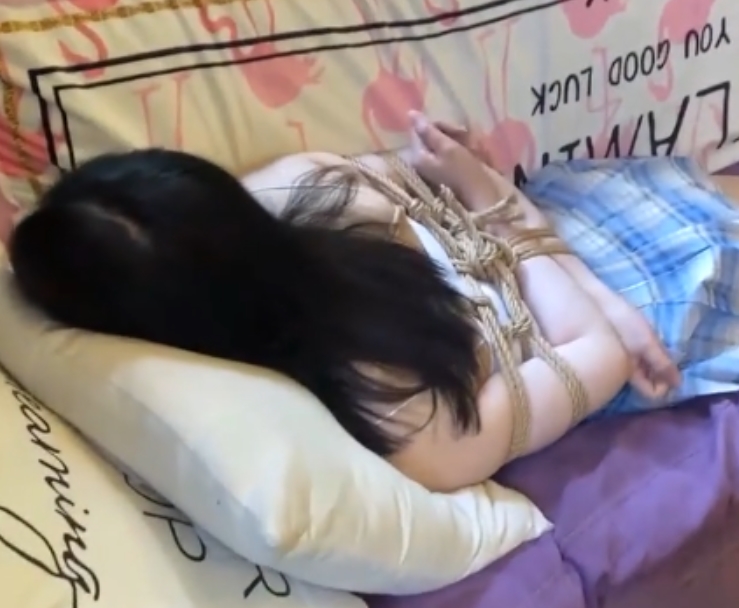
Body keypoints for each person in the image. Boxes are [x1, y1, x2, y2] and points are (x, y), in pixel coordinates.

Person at [7, 111, 739, 492]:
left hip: (578, 248)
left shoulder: (298, 187)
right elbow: (601, 355)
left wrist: (497, 204)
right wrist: (490, 200)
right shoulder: (404, 417)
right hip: (622, 310)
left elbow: (452, 174)